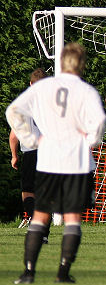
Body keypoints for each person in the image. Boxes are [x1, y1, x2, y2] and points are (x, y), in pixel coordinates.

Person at [6, 43, 106, 283]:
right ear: (81, 65)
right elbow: (99, 121)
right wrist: (91, 140)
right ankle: (62, 273)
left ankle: (29, 272)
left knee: (40, 215)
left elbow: (13, 111)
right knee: (72, 217)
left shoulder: (43, 88)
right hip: (77, 162)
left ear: (60, 63)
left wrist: (32, 139)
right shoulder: (86, 91)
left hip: (49, 159)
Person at [10, 69, 50, 242]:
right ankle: (44, 234)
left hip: (30, 152)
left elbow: (13, 136)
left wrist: (14, 155)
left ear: (31, 84)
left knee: (28, 192)